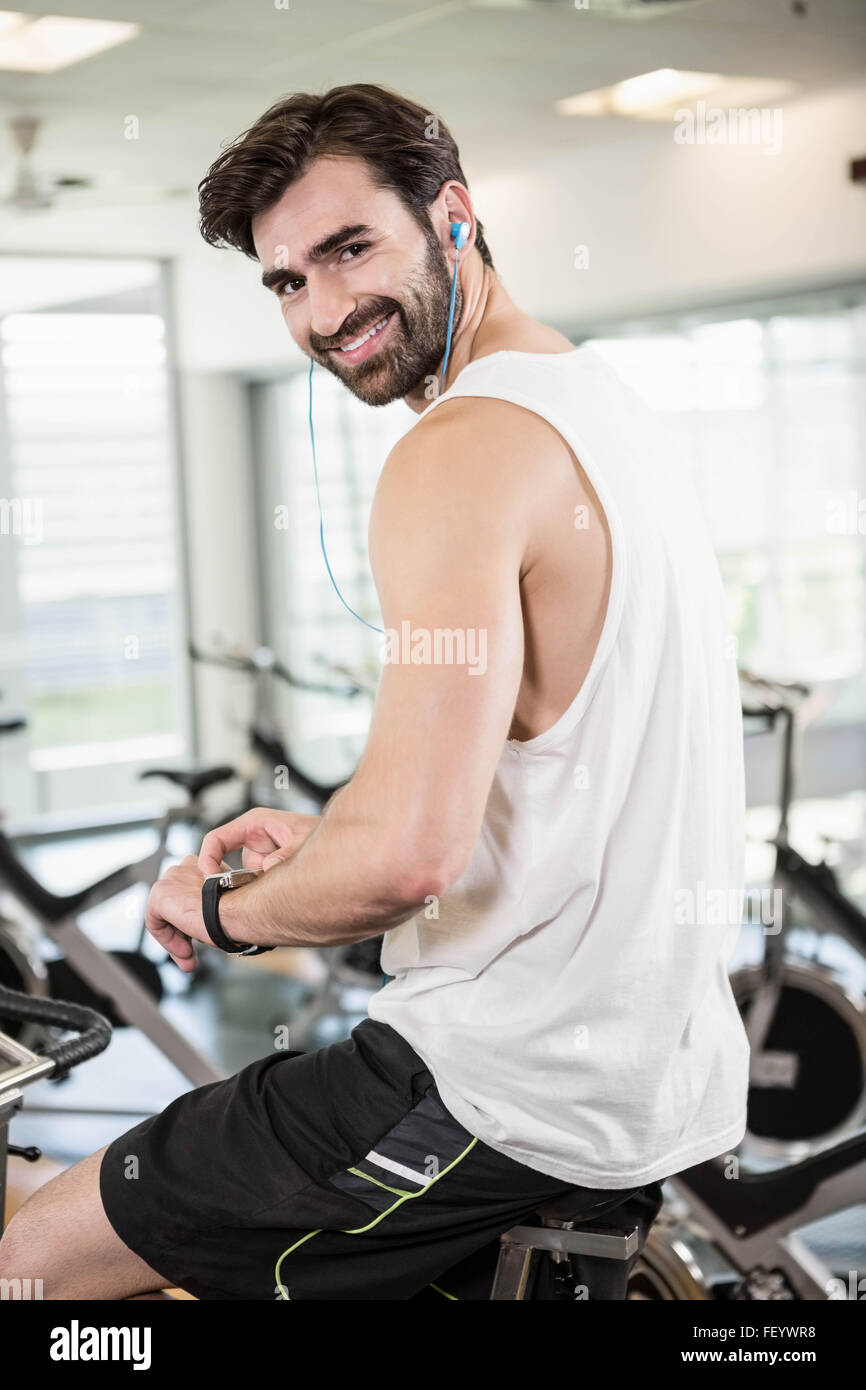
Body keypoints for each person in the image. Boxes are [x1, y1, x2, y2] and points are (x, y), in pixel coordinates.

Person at [0, 83, 749, 1300]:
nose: (324, 310)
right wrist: (325, 837)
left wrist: (227, 910)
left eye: (350, 249)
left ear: (449, 215)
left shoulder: (453, 449)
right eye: (286, 280)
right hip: (646, 1080)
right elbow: (524, 772)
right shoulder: (603, 409)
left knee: (34, 1262)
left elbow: (409, 860)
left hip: (499, 1082)